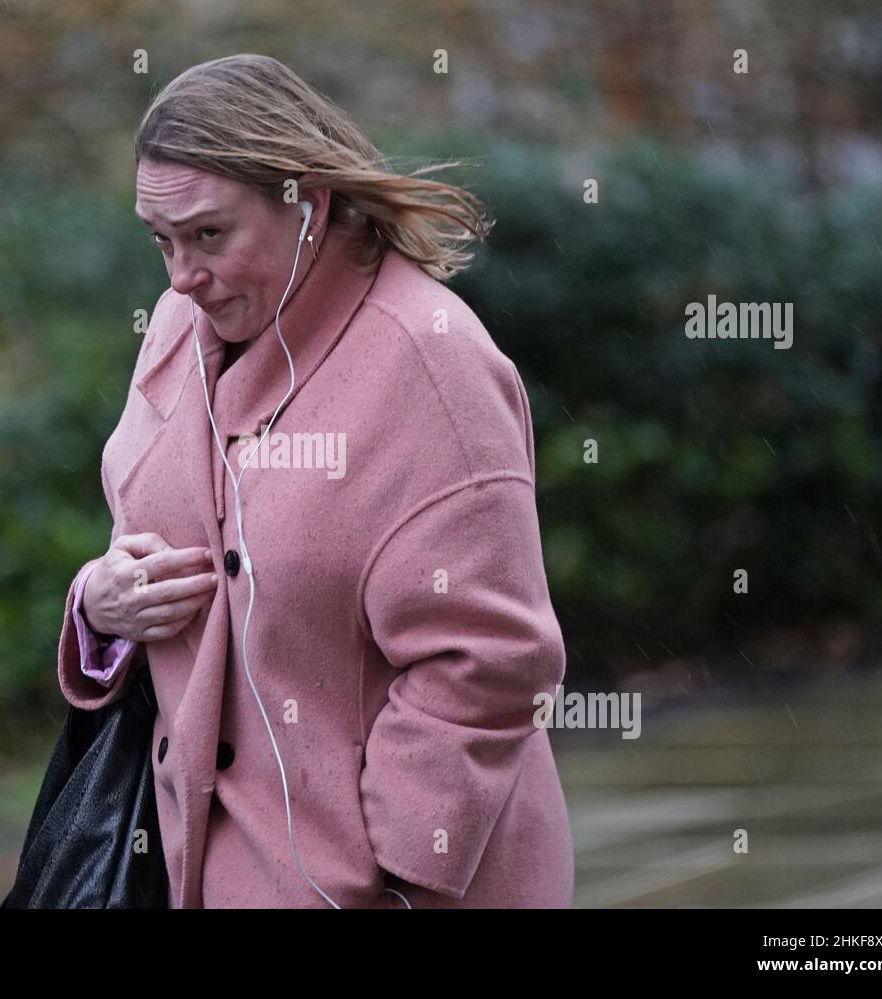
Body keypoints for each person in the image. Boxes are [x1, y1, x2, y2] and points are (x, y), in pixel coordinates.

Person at [58, 53, 573, 908]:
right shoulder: (182, 326)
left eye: (208, 234)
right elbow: (148, 537)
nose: (179, 277)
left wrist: (398, 875)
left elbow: (490, 660)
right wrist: (99, 607)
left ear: (308, 203)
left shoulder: (431, 362)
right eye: (162, 240)